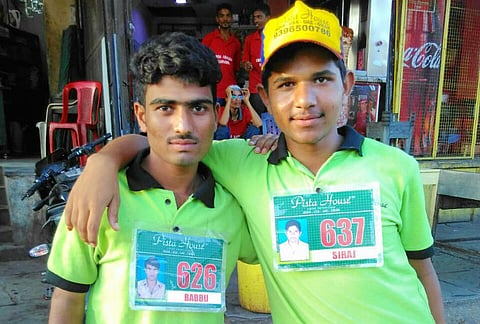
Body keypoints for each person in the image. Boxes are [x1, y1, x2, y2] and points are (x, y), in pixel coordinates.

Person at [63, 2, 446, 323]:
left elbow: (422, 270)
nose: (305, 100)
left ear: (346, 84)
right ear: (263, 95)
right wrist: (104, 161)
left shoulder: (398, 167)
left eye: (321, 80)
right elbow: (166, 141)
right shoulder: (245, 162)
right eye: (286, 85)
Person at [46, 32, 257, 323]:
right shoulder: (100, 197)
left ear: (215, 114)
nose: (183, 126)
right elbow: (67, 299)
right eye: (165, 108)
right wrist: (103, 160)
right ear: (142, 116)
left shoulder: (233, 206)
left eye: (198, 108)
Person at [202, 3, 241, 106]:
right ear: (217, 19)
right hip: (214, 90)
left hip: (231, 92)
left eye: (228, 16)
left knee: (232, 121)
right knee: (215, 121)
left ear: (232, 18)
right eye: (222, 16)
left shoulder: (236, 43)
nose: (225, 19)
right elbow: (201, 62)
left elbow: (236, 68)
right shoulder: (208, 38)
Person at [241, 3, 270, 115]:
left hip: (271, 88)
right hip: (255, 89)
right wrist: (246, 64)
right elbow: (244, 61)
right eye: (254, 17)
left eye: (259, 17)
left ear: (268, 18)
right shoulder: (249, 39)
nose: (256, 20)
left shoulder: (275, 38)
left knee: (274, 122)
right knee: (257, 121)